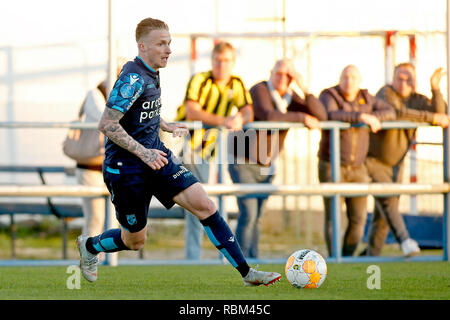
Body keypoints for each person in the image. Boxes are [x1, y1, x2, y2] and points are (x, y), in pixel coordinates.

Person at [76, 17, 280, 287]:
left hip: (158, 159)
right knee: (134, 241)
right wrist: (143, 153)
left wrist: (165, 124)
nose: (169, 49)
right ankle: (90, 247)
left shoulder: (152, 71)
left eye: (169, 43)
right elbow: (107, 123)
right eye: (161, 44)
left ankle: (246, 273)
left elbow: (138, 112)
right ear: (142, 47)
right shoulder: (133, 77)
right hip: (127, 169)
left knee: (206, 206)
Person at [227, 58, 327, 258]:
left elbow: (321, 115)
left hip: (268, 164)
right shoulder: (259, 90)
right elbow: (269, 115)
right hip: (243, 159)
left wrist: (304, 86)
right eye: (279, 73)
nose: (283, 78)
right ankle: (240, 262)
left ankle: (253, 259)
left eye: (288, 75)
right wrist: (302, 118)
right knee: (249, 214)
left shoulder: (291, 98)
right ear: (271, 73)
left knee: (258, 217)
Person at [174, 41, 253, 260]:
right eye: (217, 60)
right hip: (183, 147)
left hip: (205, 154)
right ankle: (194, 260)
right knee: (198, 204)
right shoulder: (200, 80)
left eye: (226, 60)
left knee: (199, 204)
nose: (221, 65)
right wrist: (224, 120)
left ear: (232, 62)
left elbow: (248, 111)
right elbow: (191, 111)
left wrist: (239, 117)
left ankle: (196, 259)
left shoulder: (236, 84)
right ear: (212, 61)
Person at [361, 63, 449, 257]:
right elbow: (397, 113)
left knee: (383, 214)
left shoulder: (417, 99)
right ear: (393, 79)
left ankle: (368, 257)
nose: (403, 83)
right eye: (399, 78)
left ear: (414, 81)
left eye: (408, 78)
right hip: (374, 160)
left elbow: (442, 113)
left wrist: (435, 88)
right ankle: (405, 240)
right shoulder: (386, 93)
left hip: (396, 163)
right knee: (388, 201)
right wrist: (432, 117)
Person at [317, 65, 396, 257]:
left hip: (358, 168)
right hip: (331, 165)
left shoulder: (366, 98)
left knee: (359, 219)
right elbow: (330, 114)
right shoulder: (329, 95)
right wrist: (361, 117)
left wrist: (372, 118)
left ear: (360, 81)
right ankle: (334, 257)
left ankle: (346, 257)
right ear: (339, 78)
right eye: (345, 77)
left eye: (353, 77)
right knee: (333, 217)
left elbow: (390, 112)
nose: (349, 81)